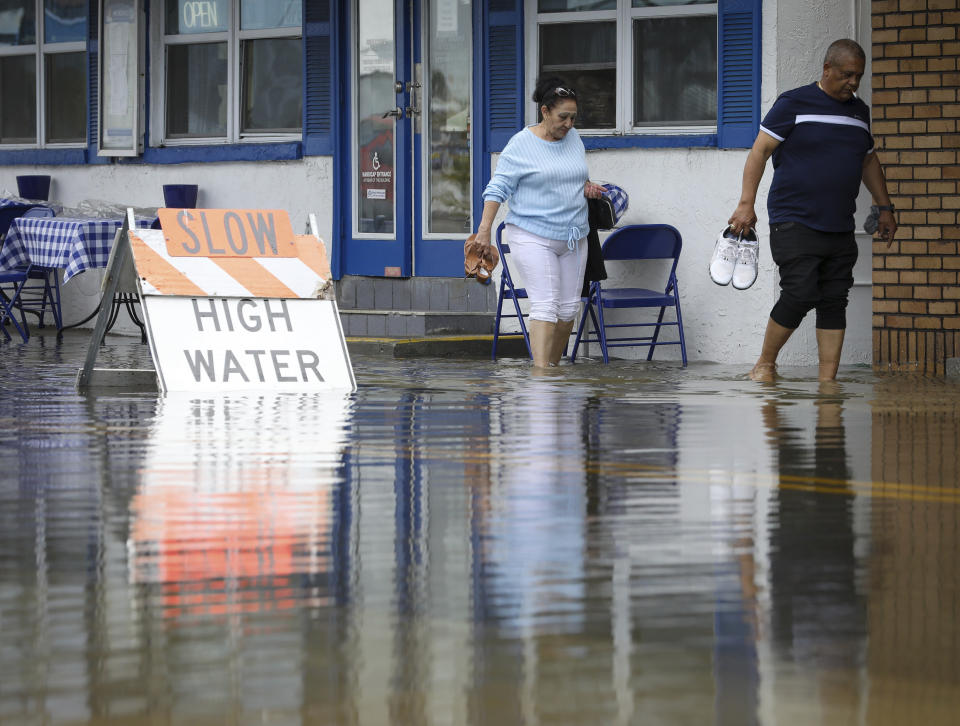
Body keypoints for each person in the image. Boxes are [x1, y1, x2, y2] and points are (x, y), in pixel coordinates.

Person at [728, 38, 897, 382]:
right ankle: (764, 363)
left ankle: (827, 381)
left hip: (839, 223)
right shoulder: (793, 103)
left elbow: (868, 160)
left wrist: (885, 208)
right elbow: (759, 152)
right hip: (795, 219)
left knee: (834, 300)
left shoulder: (859, 111)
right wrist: (746, 204)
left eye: (859, 76)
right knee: (801, 291)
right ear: (827, 69)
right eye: (848, 74)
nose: (854, 82)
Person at [474, 76, 604, 369]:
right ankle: (541, 377)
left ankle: (552, 371)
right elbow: (497, 188)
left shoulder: (573, 138)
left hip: (574, 236)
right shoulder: (521, 144)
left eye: (573, 117)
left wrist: (587, 186)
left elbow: (572, 174)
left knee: (569, 308)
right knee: (545, 306)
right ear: (545, 111)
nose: (569, 124)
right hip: (533, 235)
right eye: (563, 117)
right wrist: (483, 231)